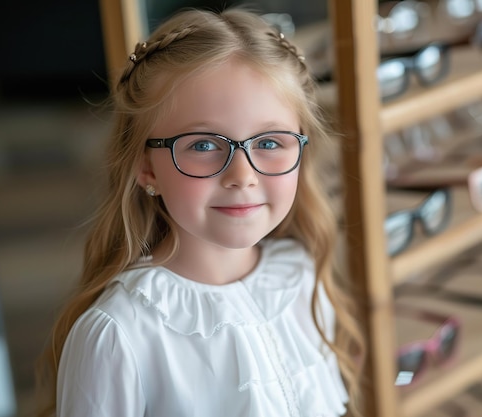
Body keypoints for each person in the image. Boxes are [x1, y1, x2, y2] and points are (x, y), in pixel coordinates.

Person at [36, 7, 365, 417]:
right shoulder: (119, 335)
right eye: (204, 145)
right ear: (145, 165)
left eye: (269, 142)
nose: (242, 176)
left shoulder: (299, 278)